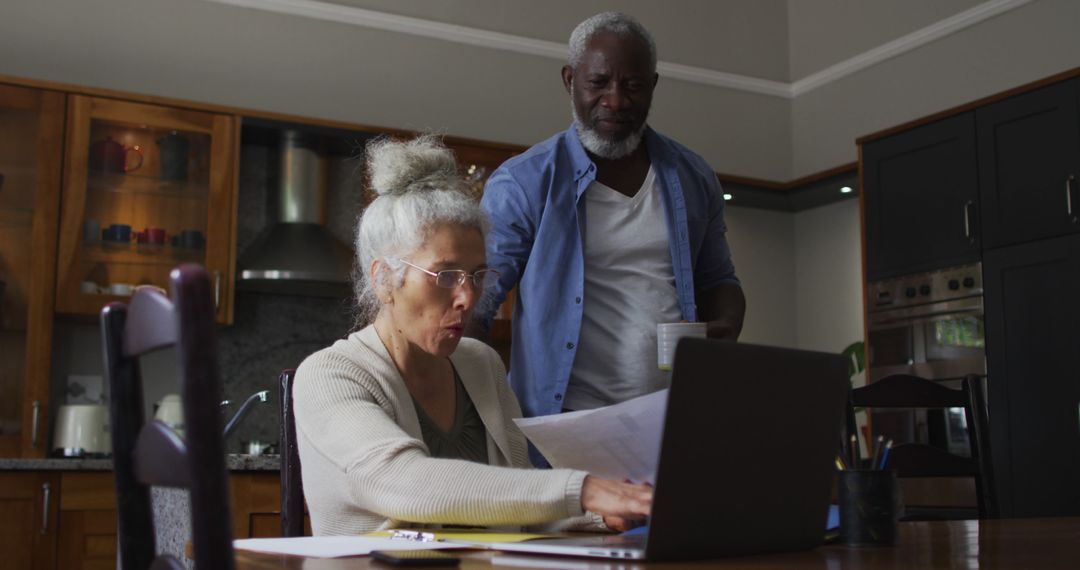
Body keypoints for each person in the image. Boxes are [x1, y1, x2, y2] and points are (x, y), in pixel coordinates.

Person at [293, 136, 652, 536]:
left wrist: (603, 514)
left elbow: (521, 507)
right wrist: (582, 489)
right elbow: (402, 481)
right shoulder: (329, 376)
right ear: (383, 279)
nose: (468, 297)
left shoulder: (481, 365)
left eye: (477, 276)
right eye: (445, 275)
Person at [477, 12, 746, 427]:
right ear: (570, 80)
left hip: (673, 417)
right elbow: (478, 299)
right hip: (564, 425)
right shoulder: (524, 182)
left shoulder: (693, 177)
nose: (616, 100)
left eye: (633, 85)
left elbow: (719, 279)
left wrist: (725, 328)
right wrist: (486, 400)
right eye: (598, 83)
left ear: (653, 86)